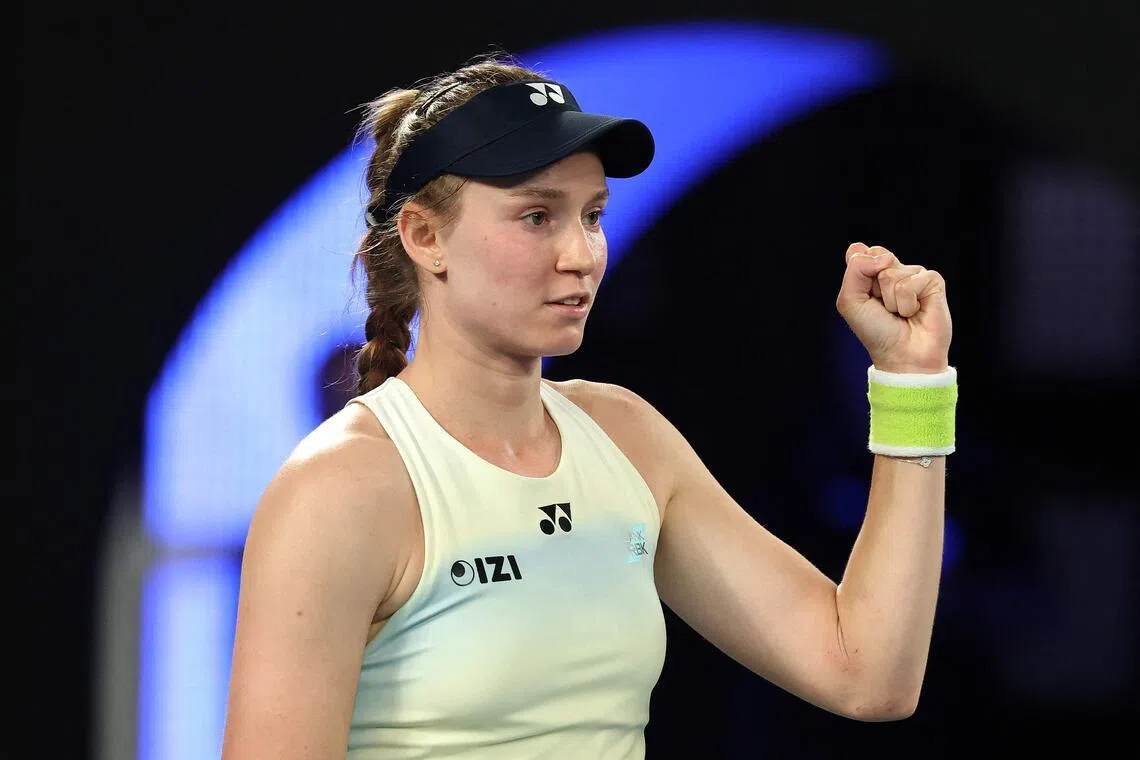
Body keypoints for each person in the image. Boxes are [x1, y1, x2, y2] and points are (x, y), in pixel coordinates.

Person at [221, 55, 957, 760]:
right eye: (537, 217)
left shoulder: (626, 438)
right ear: (424, 235)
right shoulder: (341, 490)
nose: (581, 253)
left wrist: (912, 384)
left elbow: (867, 673)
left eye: (594, 215)